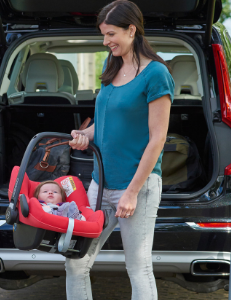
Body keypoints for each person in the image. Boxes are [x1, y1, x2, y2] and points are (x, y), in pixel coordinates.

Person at [66, 1, 175, 299]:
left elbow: (157, 138)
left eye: (111, 34)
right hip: (99, 185)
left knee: (138, 267)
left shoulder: (156, 75)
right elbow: (103, 122)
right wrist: (84, 135)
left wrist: (131, 192)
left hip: (137, 187)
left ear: (132, 29)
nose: (106, 42)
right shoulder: (110, 65)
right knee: (76, 262)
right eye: (103, 35)